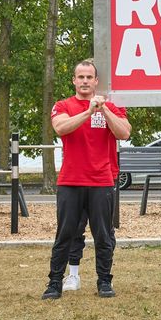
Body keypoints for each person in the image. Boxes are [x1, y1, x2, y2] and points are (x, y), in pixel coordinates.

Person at [42, 60, 131, 300]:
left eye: (89, 77)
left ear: (96, 81)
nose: (84, 81)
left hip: (101, 180)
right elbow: (61, 128)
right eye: (80, 77)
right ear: (73, 80)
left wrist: (105, 111)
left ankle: (104, 281)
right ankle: (54, 283)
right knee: (65, 234)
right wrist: (88, 111)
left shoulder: (111, 106)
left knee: (103, 234)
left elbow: (124, 132)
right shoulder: (63, 105)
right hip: (70, 181)